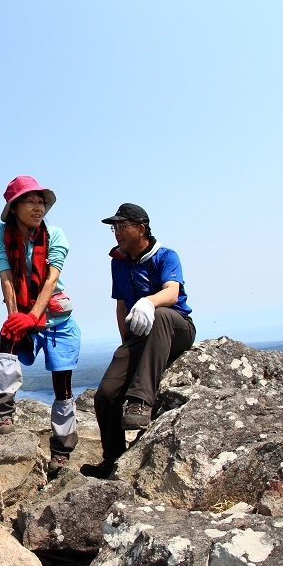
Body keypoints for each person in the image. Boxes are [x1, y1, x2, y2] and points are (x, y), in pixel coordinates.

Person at [83, 203, 195, 479]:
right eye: (114, 227)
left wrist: (149, 301)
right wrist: (126, 345)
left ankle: (141, 402)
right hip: (141, 337)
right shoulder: (118, 262)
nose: (117, 232)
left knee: (161, 315)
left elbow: (171, 292)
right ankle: (112, 460)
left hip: (176, 329)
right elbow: (121, 305)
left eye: (122, 226)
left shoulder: (166, 256)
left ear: (141, 228)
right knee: (106, 395)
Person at [0, 176, 82, 474]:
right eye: (31, 201)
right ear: (14, 207)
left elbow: (51, 278)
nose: (39, 208)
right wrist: (15, 317)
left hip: (57, 320)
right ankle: (0, 414)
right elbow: (6, 274)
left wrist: (33, 315)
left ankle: (62, 451)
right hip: (23, 309)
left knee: (62, 387)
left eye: (42, 202)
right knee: (6, 343)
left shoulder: (56, 234)